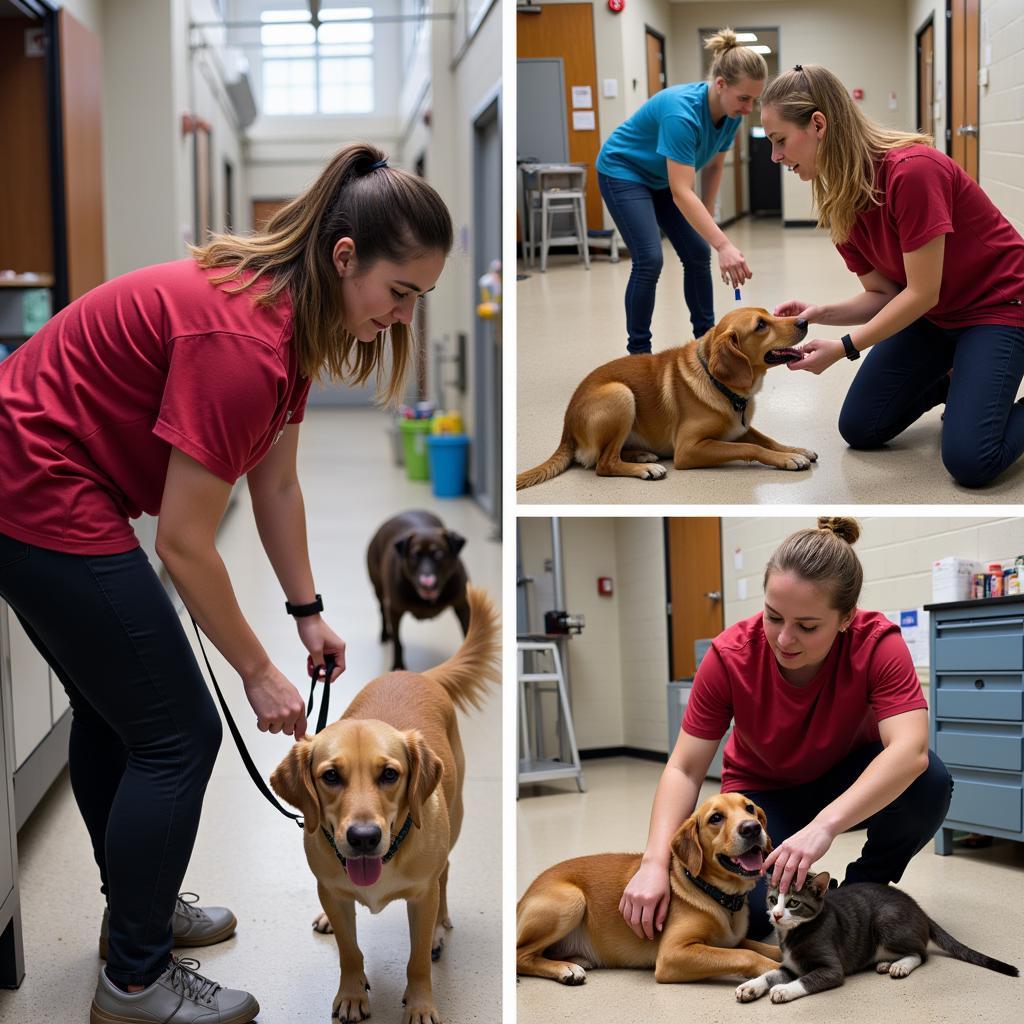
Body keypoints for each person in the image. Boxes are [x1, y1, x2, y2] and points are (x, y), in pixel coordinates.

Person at [0, 143, 452, 1024]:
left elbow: (274, 484)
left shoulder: (294, 326)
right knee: (178, 734)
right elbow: (184, 543)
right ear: (345, 258)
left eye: (418, 301)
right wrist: (257, 668)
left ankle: (137, 911)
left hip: (52, 480)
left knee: (118, 716)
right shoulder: (243, 340)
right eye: (400, 293)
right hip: (34, 484)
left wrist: (307, 611)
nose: (403, 319)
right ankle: (134, 978)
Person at [619, 517, 952, 942]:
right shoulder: (728, 657)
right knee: (754, 921)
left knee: (930, 782)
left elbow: (909, 750)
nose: (784, 639)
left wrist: (824, 826)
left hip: (848, 781)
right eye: (773, 617)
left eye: (807, 626)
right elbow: (684, 769)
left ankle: (860, 895)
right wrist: (653, 863)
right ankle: (804, 895)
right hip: (763, 795)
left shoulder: (878, 643)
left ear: (846, 617)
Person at [760, 64, 1024, 489]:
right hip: (939, 316)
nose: (775, 157)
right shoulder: (840, 201)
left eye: (780, 141)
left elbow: (920, 293)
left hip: (998, 307)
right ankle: (958, 380)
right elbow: (883, 292)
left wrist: (845, 347)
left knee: (972, 462)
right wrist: (820, 312)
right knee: (861, 428)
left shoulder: (912, 171)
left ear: (818, 124)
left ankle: (973, 386)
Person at [595, 28, 766, 355]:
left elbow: (714, 168)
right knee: (649, 259)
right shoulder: (681, 112)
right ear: (720, 84)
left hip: (661, 181)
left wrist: (712, 233)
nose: (749, 109)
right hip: (623, 171)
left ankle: (708, 341)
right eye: (744, 98)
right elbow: (681, 190)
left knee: (697, 253)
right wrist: (724, 244)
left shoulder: (732, 116)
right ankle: (639, 354)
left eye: (754, 101)